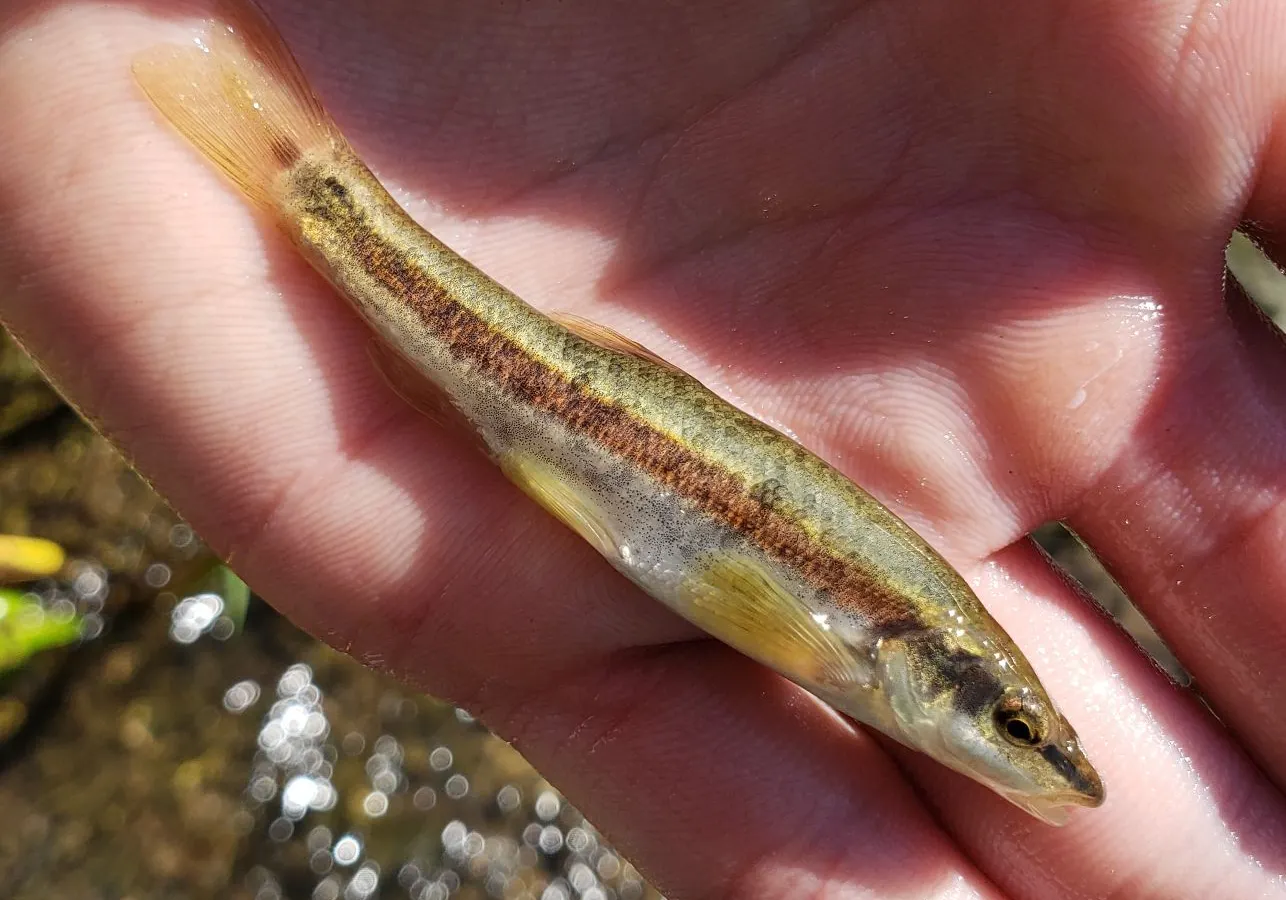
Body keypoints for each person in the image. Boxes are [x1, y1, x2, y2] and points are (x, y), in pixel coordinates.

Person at [2, 1, 1285, 896]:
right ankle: (314, 190)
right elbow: (742, 597)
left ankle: (316, 191)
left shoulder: (878, 649)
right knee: (366, 243)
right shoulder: (859, 637)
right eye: (1008, 723)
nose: (1026, 757)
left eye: (1021, 730)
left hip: (589, 421)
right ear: (920, 667)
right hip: (570, 407)